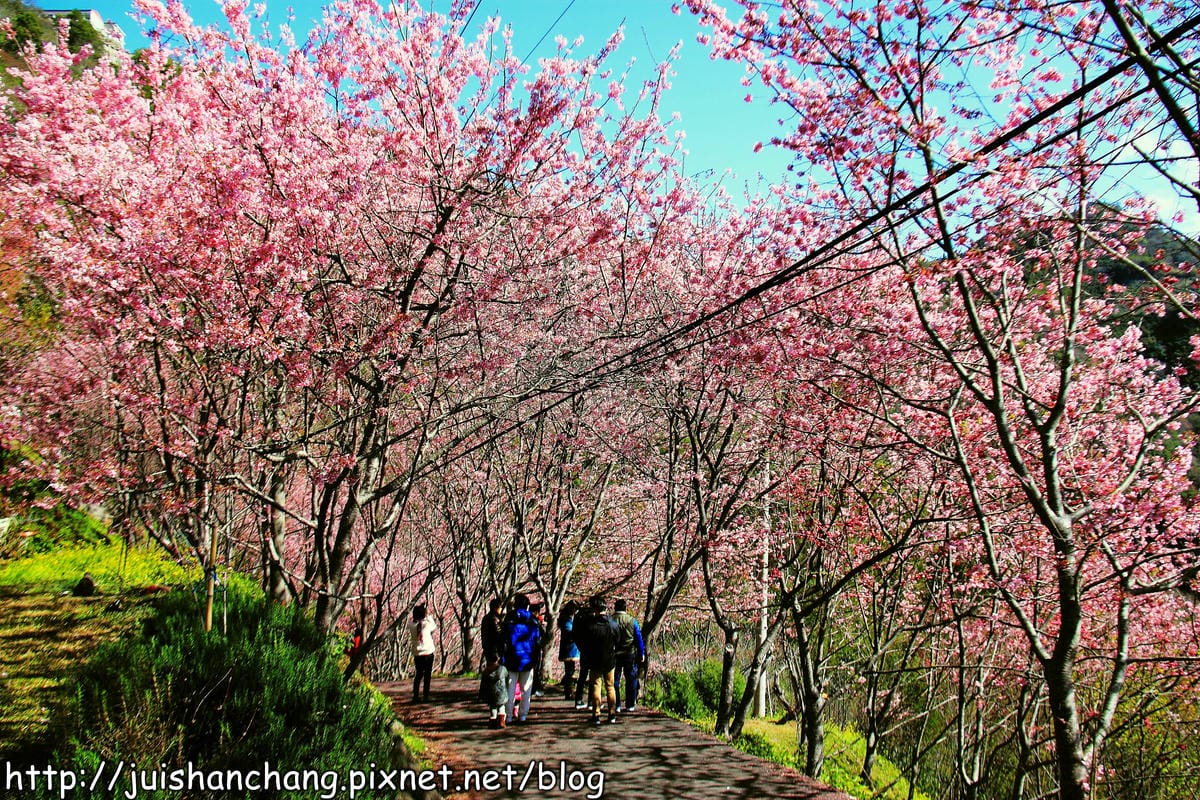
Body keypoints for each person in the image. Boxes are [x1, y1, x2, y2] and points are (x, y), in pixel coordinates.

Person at [577, 596, 619, 725]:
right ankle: (612, 714)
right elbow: (617, 640)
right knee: (610, 687)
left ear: (594, 609)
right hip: (609, 659)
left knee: (596, 685)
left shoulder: (590, 625)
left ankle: (596, 715)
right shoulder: (612, 623)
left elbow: (584, 642)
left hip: (595, 659)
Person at [502, 593, 541, 723]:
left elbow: (503, 640)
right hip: (528, 660)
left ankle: (508, 716)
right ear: (527, 606)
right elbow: (537, 642)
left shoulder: (509, 619)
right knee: (526, 690)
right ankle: (523, 715)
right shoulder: (533, 622)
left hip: (511, 659)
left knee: (510, 689)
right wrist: (536, 660)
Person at [611, 599, 646, 712]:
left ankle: (616, 704)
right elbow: (638, 638)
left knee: (614, 679)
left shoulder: (610, 620)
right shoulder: (632, 621)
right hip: (629, 654)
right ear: (626, 608)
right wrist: (642, 653)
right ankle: (630, 704)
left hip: (614, 654)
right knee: (630, 678)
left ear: (615, 608)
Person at [408, 604, 437, 702]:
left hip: (417, 654)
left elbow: (414, 623)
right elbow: (434, 626)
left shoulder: (411, 625)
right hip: (428, 652)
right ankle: (426, 696)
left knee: (418, 674)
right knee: (427, 675)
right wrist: (428, 615)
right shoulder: (427, 624)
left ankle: (415, 696)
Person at [557, 601, 580, 701]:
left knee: (570, 670)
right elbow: (570, 632)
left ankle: (569, 690)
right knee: (569, 671)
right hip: (569, 648)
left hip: (569, 648)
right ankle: (568, 692)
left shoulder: (566, 619)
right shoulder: (567, 620)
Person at [480, 656, 510, 729]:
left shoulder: (486, 671)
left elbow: (483, 684)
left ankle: (493, 721)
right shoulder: (503, 669)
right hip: (502, 692)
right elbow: (507, 678)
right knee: (501, 706)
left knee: (493, 707)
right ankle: (501, 721)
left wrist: (482, 693)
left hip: (491, 692)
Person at [480, 597, 505, 664]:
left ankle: (487, 673)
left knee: (491, 665)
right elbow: (499, 634)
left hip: (487, 647)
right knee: (495, 666)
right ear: (495, 608)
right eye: (500, 607)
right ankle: (485, 674)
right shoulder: (495, 619)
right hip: (494, 648)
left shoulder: (486, 618)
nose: (501, 609)